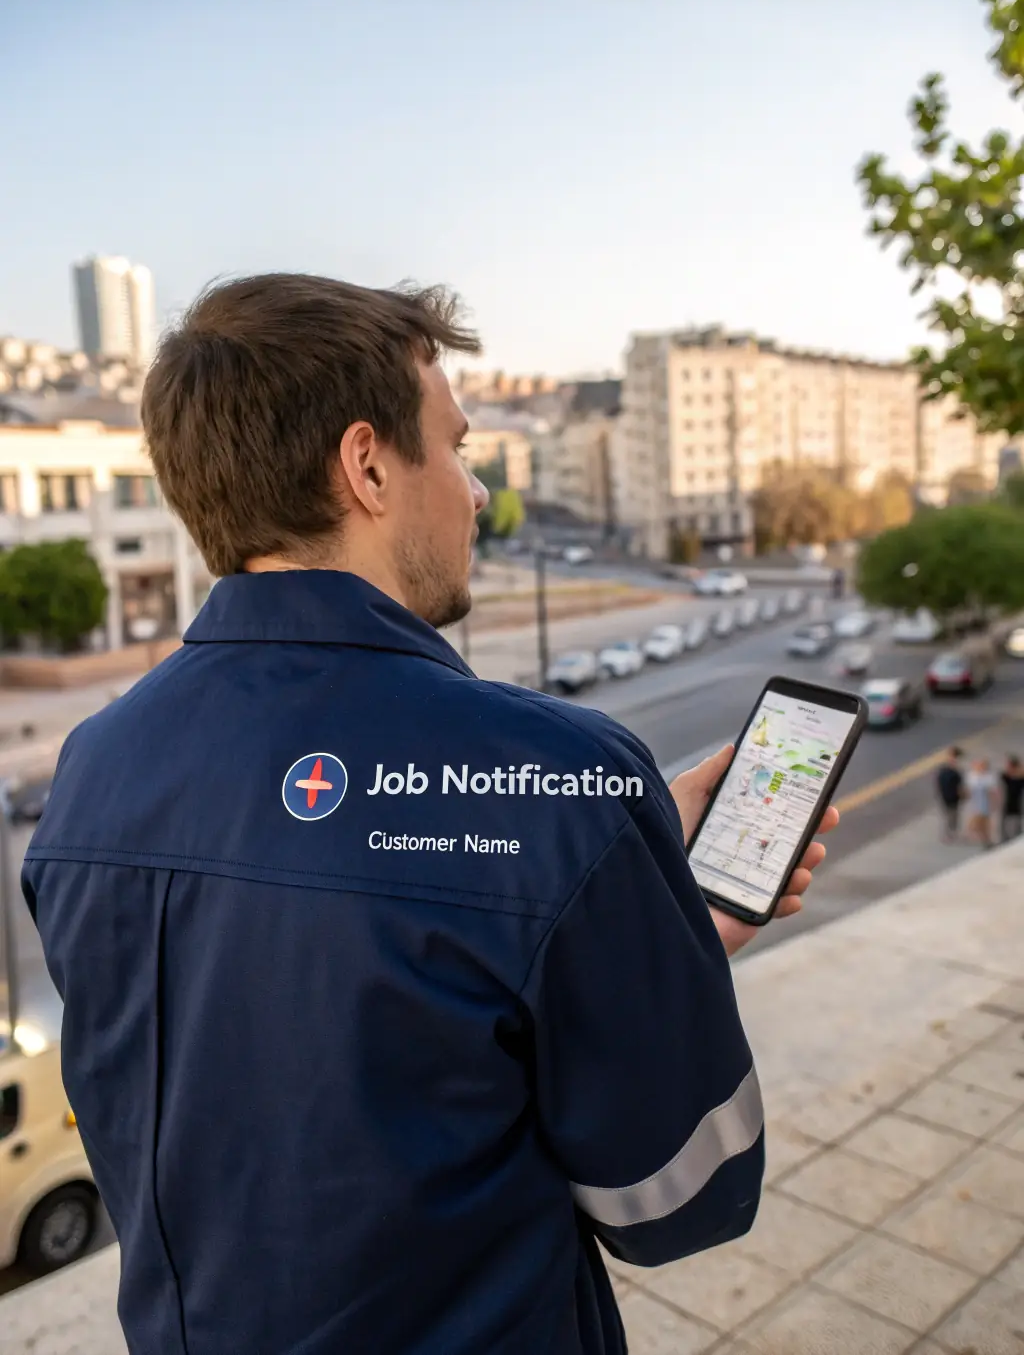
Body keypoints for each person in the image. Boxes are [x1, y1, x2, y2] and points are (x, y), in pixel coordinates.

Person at [22, 274, 838, 1355]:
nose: (478, 491)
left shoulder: (92, 769)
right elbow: (679, 1198)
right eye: (455, 447)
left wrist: (612, 906)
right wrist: (651, 946)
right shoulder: (564, 782)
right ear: (367, 466)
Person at [964, 756, 998, 847]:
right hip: (976, 802)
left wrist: (994, 803)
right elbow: (968, 790)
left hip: (985, 802)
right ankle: (982, 838)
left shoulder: (989, 777)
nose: (981, 767)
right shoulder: (972, 776)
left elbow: (993, 792)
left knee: (985, 823)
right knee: (977, 822)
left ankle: (987, 839)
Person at [935, 745, 964, 843]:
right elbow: (959, 785)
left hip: (947, 795)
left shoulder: (945, 769)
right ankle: (950, 834)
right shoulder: (954, 771)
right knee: (952, 815)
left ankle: (950, 833)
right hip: (951, 796)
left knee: (950, 815)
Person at [1000, 753, 1024, 842]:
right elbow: (1005, 774)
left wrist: (1019, 768)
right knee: (1005, 829)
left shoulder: (1020, 780)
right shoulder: (1006, 778)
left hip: (1017, 807)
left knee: (1016, 828)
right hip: (1006, 806)